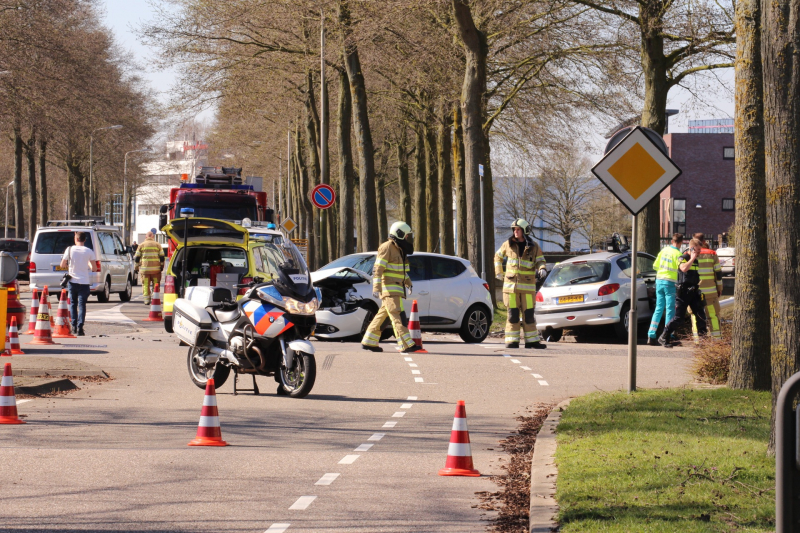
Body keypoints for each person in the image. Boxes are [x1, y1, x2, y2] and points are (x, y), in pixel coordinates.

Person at [361, 221, 420, 353]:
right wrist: (376, 288)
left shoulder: (399, 249)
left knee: (382, 316)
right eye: (406, 236)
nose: (407, 239)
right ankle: (406, 344)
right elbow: (378, 269)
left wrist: (408, 283)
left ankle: (369, 341)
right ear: (399, 234)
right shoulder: (387, 247)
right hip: (390, 289)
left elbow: (401, 271)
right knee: (397, 316)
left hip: (396, 289)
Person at [494, 219, 548, 349]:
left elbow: (540, 260)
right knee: (513, 315)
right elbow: (497, 257)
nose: (515, 232)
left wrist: (542, 269)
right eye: (514, 229)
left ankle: (532, 341)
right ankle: (512, 341)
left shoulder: (534, 246)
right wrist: (498, 272)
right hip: (511, 288)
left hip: (528, 289)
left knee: (529, 315)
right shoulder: (508, 244)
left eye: (518, 229)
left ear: (524, 231)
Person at [658, 238, 707, 347]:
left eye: (700, 251)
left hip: (694, 291)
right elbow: (684, 269)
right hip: (683, 292)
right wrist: (692, 258)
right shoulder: (683, 258)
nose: (699, 253)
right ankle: (663, 337)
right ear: (692, 248)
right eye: (698, 250)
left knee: (700, 315)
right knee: (678, 318)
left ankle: (703, 341)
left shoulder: (696, 260)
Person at [647, 233, 684, 346]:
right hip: (670, 282)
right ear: (680, 242)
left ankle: (651, 334)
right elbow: (681, 269)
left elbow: (655, 266)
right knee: (670, 309)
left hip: (659, 281)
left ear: (672, 241)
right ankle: (667, 334)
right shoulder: (678, 253)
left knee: (658, 308)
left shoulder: (663, 250)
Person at [59, 231, 97, 336]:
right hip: (84, 282)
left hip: (72, 281)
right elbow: (94, 268)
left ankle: (74, 325)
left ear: (76, 239)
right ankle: (81, 327)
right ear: (85, 240)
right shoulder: (89, 251)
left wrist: (71, 266)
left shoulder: (69, 250)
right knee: (82, 305)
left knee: (73, 304)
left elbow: (62, 265)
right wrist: (87, 264)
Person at [694, 235, 723, 340]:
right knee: (713, 315)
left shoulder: (689, 254)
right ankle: (717, 339)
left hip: (695, 293)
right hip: (710, 292)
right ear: (704, 241)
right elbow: (718, 274)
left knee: (695, 316)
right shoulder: (712, 254)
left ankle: (697, 339)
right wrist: (719, 288)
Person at [135, 231, 165, 305]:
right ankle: (155, 299)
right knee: (156, 284)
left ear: (146, 237)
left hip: (145, 271)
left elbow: (137, 258)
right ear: (153, 236)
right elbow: (162, 257)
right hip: (156, 271)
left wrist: (136, 268)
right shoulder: (158, 245)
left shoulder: (141, 245)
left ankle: (146, 300)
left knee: (145, 285)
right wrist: (161, 266)